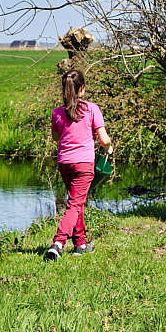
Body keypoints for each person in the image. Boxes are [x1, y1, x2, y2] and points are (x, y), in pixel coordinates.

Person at [45, 70, 112, 261]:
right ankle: (58, 244)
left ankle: (80, 244)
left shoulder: (57, 113)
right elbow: (104, 139)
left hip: (65, 163)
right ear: (82, 88)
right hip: (83, 163)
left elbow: (56, 137)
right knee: (75, 204)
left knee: (76, 202)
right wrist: (109, 147)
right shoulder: (92, 109)